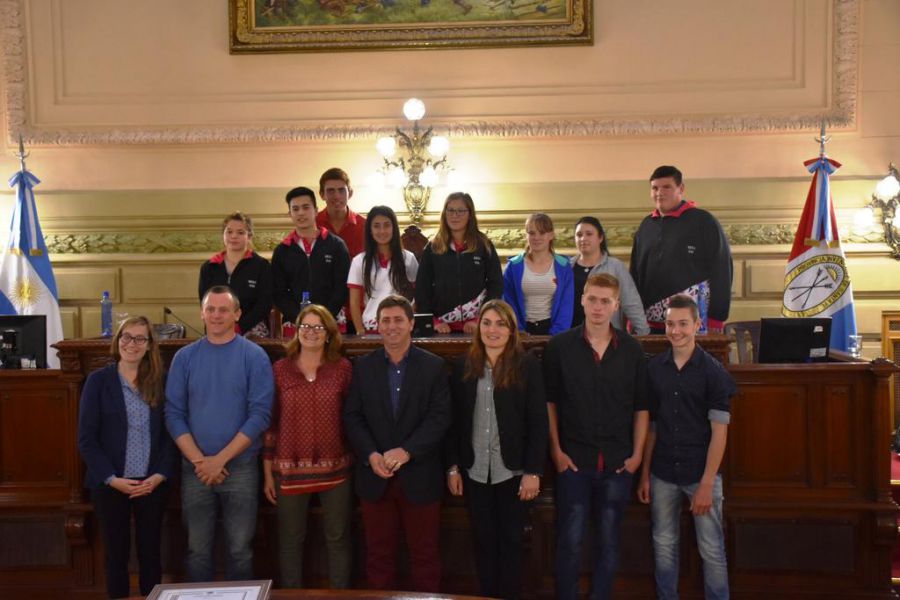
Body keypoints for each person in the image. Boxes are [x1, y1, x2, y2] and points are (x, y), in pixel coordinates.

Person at [543, 272, 650, 600]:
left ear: (616, 305)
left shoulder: (632, 350)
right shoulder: (560, 347)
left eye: (606, 301)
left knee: (609, 541)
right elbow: (549, 403)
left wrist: (636, 457)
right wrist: (557, 451)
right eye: (593, 299)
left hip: (618, 463)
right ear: (582, 300)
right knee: (570, 541)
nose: (598, 307)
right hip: (574, 461)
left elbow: (642, 408)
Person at [342, 295, 451, 592]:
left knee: (425, 556)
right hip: (375, 477)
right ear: (378, 325)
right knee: (378, 557)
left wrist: (407, 451)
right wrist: (371, 454)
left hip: (420, 475)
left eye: (398, 320)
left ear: (411, 324)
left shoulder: (434, 367)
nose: (391, 326)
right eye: (385, 320)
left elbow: (439, 419)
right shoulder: (362, 367)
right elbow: (353, 417)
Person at [165, 285, 274, 582]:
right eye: (210, 309)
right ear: (201, 313)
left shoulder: (254, 356)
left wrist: (220, 460)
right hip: (195, 469)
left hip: (239, 468)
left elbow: (260, 415)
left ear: (237, 314)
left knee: (241, 550)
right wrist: (202, 462)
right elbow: (173, 415)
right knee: (197, 550)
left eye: (223, 309)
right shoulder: (184, 358)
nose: (216, 315)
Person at [446, 299, 549, 599]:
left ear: (511, 329)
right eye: (487, 322)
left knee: (512, 543)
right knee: (483, 541)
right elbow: (454, 420)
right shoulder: (465, 364)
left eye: (500, 323)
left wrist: (533, 471)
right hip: (475, 470)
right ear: (478, 327)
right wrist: (453, 466)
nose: (493, 330)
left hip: (513, 471)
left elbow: (538, 422)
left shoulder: (526, 364)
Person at [638, 294, 735, 600]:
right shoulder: (654, 369)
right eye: (669, 323)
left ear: (697, 325)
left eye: (682, 324)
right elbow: (651, 427)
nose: (675, 330)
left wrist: (707, 483)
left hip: (700, 473)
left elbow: (720, 432)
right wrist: (644, 475)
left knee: (711, 550)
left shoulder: (713, 372)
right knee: (663, 545)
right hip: (663, 472)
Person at [77, 316, 175, 599]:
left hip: (151, 483)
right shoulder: (98, 381)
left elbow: (171, 435)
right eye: (126, 337)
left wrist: (159, 475)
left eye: (140, 338)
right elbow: (87, 439)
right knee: (116, 555)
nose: (132, 344)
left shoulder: (160, 380)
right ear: (117, 341)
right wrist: (111, 479)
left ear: (149, 345)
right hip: (111, 483)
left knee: (151, 553)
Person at [263, 304, 354, 589]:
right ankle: (292, 595)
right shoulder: (280, 369)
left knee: (338, 538)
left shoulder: (342, 368)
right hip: (289, 470)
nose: (311, 332)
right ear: (296, 330)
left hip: (336, 469)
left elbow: (352, 418)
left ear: (328, 333)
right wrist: (268, 473)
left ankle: (341, 596)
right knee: (290, 540)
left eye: (318, 327)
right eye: (305, 326)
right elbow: (271, 423)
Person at [629, 165, 733, 334]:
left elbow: (722, 270)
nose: (659, 193)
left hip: (694, 323)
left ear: (681, 188)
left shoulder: (704, 221)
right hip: (650, 325)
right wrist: (633, 316)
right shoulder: (645, 226)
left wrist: (717, 318)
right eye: (655, 188)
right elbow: (635, 274)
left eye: (666, 187)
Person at [415, 192, 503, 334]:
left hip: (478, 326)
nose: (455, 215)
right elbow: (422, 289)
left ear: (470, 214)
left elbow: (496, 285)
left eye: (461, 211)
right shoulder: (433, 247)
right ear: (444, 213)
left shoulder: (484, 245)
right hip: (442, 327)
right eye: (450, 210)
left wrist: (481, 318)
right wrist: (434, 321)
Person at [272, 186, 351, 326]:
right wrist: (299, 318)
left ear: (315, 210)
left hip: (332, 319)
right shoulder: (282, 251)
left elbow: (342, 287)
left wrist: (323, 318)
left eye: (306, 207)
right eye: (295, 209)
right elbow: (279, 293)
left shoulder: (337, 245)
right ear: (290, 214)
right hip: (295, 322)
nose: (301, 213)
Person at [198, 211, 273, 337]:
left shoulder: (261, 266)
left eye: (240, 232)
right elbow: (205, 303)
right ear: (223, 235)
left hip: (251, 330)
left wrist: (239, 327)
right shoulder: (209, 267)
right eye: (229, 232)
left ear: (249, 236)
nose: (234, 236)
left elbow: (264, 304)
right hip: (217, 327)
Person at [571, 216, 649, 334]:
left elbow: (631, 303)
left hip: (608, 336)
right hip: (572, 335)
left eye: (589, 234)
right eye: (579, 235)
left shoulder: (615, 267)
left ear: (600, 237)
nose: (583, 238)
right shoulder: (567, 266)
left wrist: (644, 334)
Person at [347, 205, 418, 334]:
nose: (382, 231)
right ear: (370, 230)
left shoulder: (408, 258)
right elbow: (354, 302)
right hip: (371, 329)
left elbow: (417, 296)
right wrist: (360, 331)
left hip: (401, 329)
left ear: (394, 228)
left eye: (387, 225)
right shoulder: (359, 261)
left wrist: (407, 320)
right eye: (376, 226)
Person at [502, 212, 573, 335]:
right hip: (521, 331)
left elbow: (566, 306)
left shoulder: (564, 266)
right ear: (526, 235)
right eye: (532, 233)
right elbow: (508, 303)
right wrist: (518, 331)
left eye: (542, 232)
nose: (536, 237)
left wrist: (556, 335)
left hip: (553, 330)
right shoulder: (513, 266)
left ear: (551, 235)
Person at [316, 167, 367, 259]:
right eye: (331, 191)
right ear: (322, 195)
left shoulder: (365, 225)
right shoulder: (313, 224)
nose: (337, 196)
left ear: (350, 193)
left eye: (341, 190)